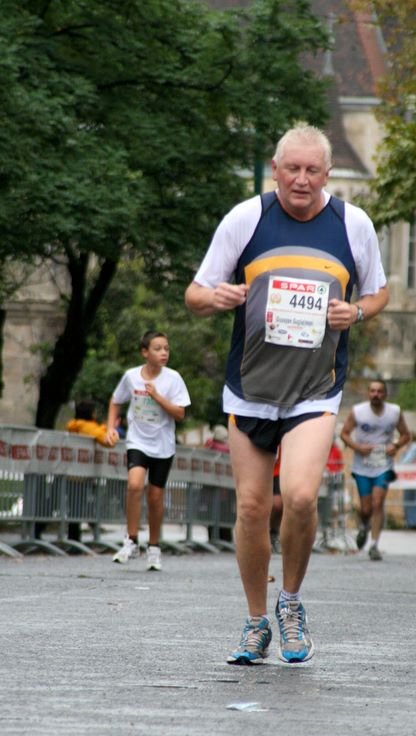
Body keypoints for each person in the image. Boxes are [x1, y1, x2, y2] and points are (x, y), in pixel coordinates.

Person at [185, 124, 388, 664]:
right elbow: (194, 293)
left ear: (327, 174)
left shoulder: (352, 224)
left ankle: (291, 604)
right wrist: (218, 296)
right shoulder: (246, 218)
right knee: (252, 507)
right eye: (292, 169)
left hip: (314, 390)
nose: (302, 179)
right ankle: (255, 623)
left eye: (312, 170)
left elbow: (379, 290)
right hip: (250, 388)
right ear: (276, 171)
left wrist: (358, 312)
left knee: (299, 496)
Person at [105, 331, 191, 571]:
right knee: (134, 485)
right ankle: (131, 540)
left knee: (154, 497)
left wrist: (157, 397)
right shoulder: (131, 376)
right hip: (137, 441)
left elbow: (180, 413)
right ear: (145, 352)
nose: (164, 352)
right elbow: (115, 401)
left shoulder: (173, 379)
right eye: (158, 348)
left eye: (166, 348)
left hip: (163, 445)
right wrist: (110, 428)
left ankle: (153, 547)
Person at [341, 380, 410, 560]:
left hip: (383, 465)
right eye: (372, 391)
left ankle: (374, 545)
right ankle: (364, 526)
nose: (376, 394)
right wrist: (357, 447)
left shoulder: (394, 412)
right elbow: (344, 433)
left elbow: (406, 435)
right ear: (368, 393)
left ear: (385, 394)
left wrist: (395, 445)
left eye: (380, 391)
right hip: (362, 466)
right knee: (366, 508)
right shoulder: (358, 411)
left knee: (378, 502)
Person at [65, 399, 118, 541]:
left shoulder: (73, 426)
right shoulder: (88, 427)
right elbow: (107, 441)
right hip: (82, 475)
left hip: (72, 472)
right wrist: (109, 429)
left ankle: (76, 537)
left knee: (76, 506)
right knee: (78, 507)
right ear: (91, 413)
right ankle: (75, 539)